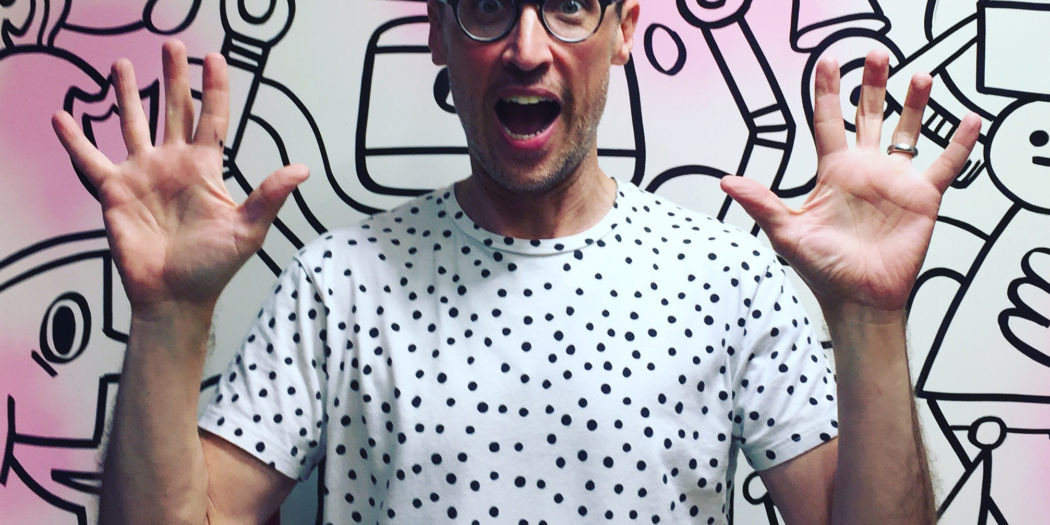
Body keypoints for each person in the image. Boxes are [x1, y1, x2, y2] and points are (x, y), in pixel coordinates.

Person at [51, 0, 980, 523]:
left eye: (569, 5)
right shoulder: (338, 283)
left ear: (624, 27)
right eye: (489, 6)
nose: (527, 49)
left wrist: (871, 321)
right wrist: (168, 318)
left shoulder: (727, 278)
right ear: (439, 33)